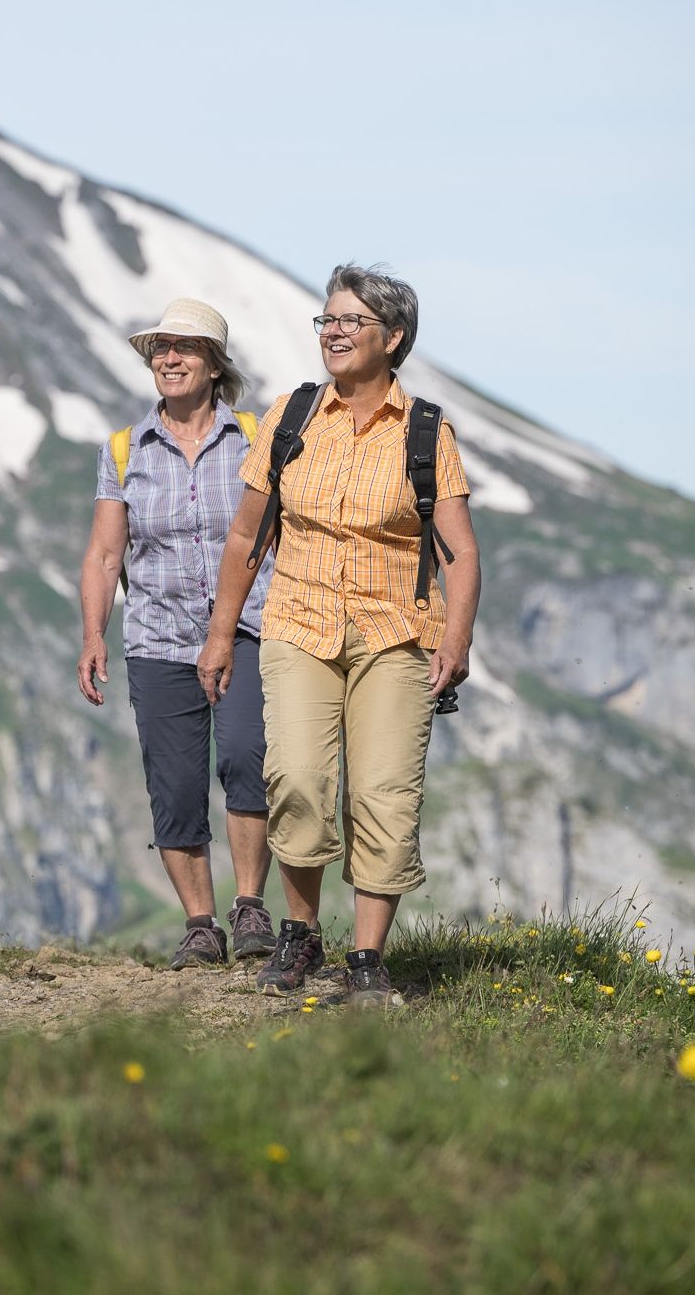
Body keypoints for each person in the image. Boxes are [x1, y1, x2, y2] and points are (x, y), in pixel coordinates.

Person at [198, 264, 480, 1007]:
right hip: (297, 622)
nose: (333, 331)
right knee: (293, 776)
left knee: (383, 792)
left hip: (395, 633)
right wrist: (220, 635)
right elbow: (244, 535)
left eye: (350, 321)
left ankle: (365, 957)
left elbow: (460, 549)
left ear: (392, 338)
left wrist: (456, 638)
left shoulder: (426, 432)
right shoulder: (291, 418)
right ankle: (298, 933)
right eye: (326, 319)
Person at [78, 298, 278, 970]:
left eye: (184, 347)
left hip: (249, 625)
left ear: (213, 364)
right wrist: (92, 633)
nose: (168, 358)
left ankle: (248, 904)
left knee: (247, 756)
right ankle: (199, 922)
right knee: (175, 782)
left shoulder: (254, 436)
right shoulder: (123, 449)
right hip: (157, 637)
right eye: (159, 348)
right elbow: (106, 555)